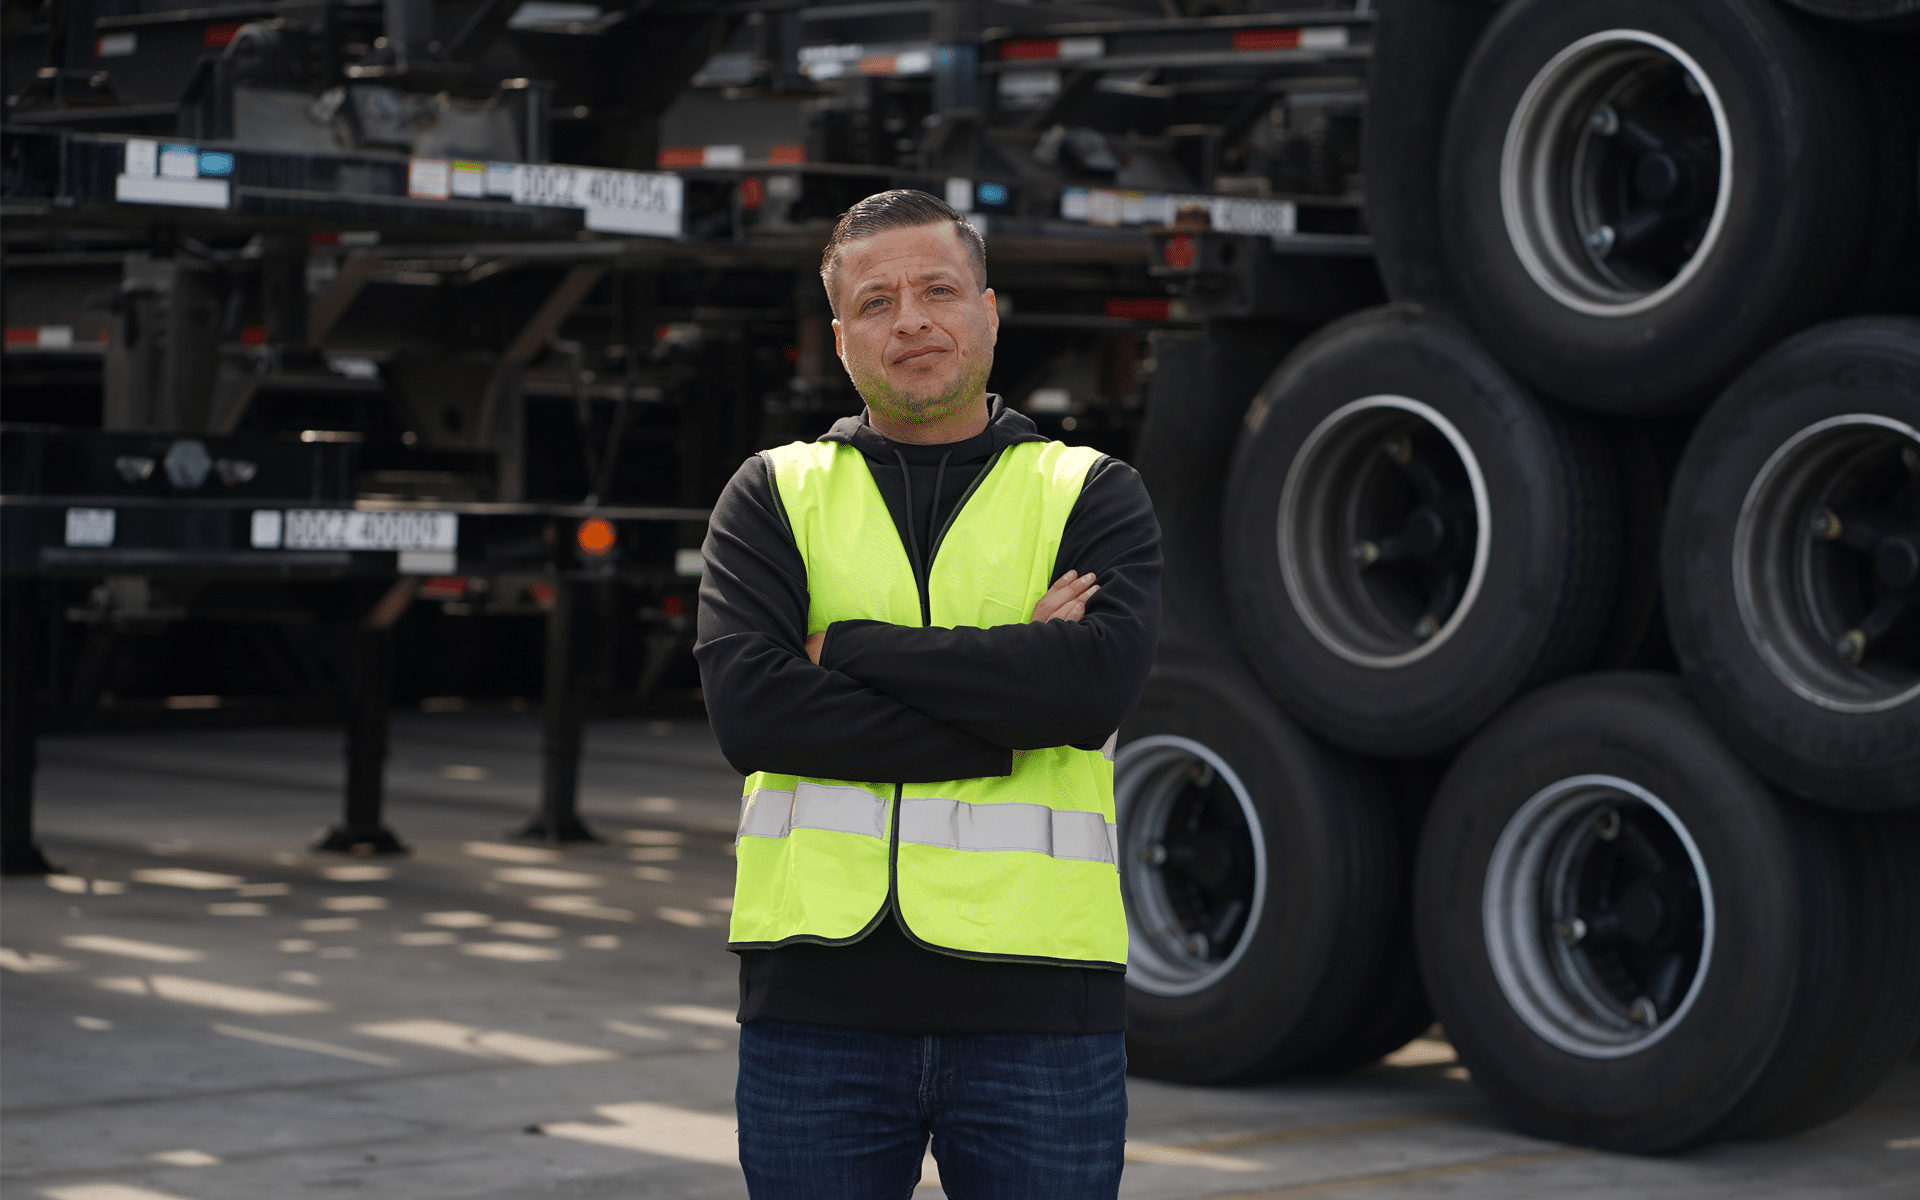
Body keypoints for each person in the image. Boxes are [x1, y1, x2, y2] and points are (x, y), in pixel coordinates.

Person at [694, 188, 1162, 1200]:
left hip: (1039, 1015)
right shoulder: (775, 493)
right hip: (815, 1013)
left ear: (989, 312)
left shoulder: (1089, 490)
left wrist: (848, 647)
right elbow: (754, 713)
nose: (910, 318)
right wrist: (1004, 710)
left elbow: (1085, 694)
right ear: (840, 337)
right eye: (876, 301)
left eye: (938, 289)